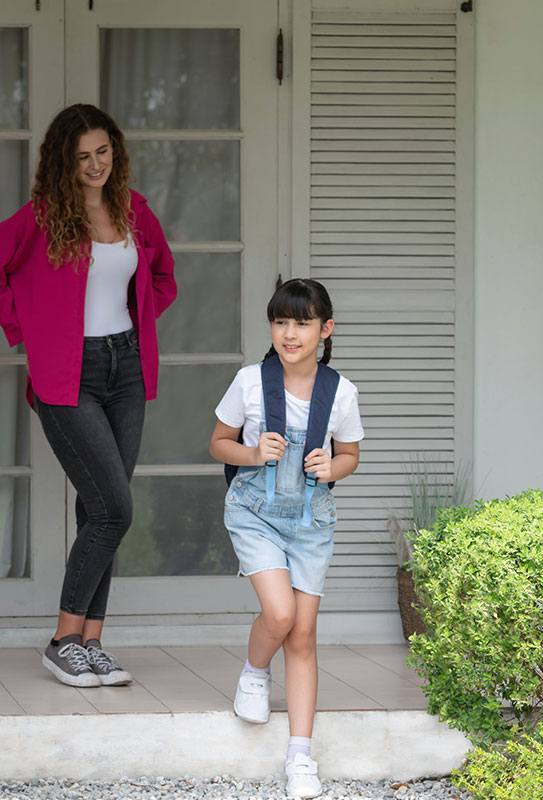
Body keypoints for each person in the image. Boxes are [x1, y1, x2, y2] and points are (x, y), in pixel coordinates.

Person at [0, 103, 177, 688]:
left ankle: (91, 643)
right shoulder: (42, 216)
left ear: (116, 151)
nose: (95, 164)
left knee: (97, 510)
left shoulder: (136, 213)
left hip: (125, 370)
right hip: (67, 377)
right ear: (65, 160)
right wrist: (29, 327)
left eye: (103, 151)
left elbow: (162, 278)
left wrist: (141, 321)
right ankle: (62, 639)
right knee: (114, 509)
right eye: (82, 156)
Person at [208, 278, 363, 799]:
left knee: (303, 634)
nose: (290, 333)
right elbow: (218, 444)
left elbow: (350, 456)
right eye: (281, 321)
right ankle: (254, 672)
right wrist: (254, 453)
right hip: (255, 512)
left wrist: (331, 464)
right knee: (280, 615)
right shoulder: (250, 381)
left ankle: (300, 756)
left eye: (302, 322)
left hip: (312, 520)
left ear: (326, 328)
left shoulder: (341, 392)